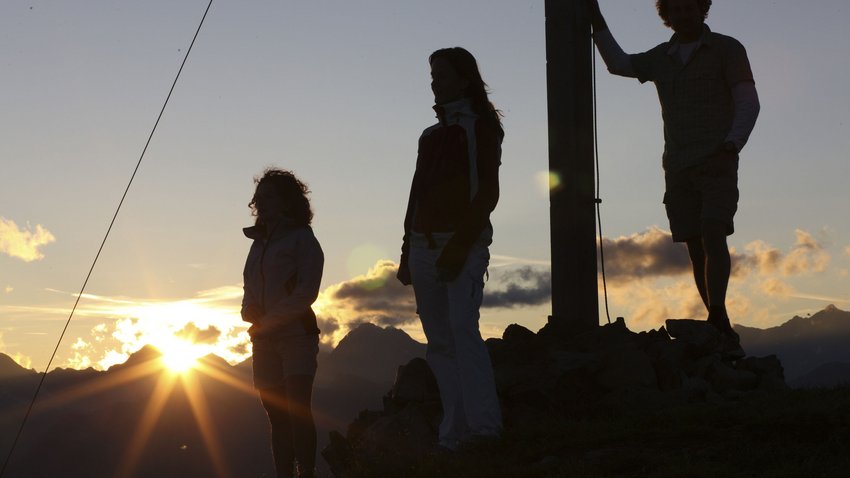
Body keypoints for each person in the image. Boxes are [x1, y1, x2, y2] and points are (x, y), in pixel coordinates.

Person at [586, 0, 760, 357]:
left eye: (689, 7)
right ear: (667, 16)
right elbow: (618, 63)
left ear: (702, 9)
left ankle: (717, 313)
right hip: (678, 164)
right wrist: (596, 18)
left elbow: (748, 100)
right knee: (695, 244)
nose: (683, 15)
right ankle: (716, 320)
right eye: (675, 9)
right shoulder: (660, 57)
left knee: (714, 230)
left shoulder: (727, 48)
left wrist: (732, 144)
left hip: (717, 159)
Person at [397, 47, 503, 450]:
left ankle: (485, 428)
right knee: (440, 340)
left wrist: (461, 245)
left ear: (463, 79)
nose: (434, 81)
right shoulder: (430, 135)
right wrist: (407, 249)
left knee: (462, 329)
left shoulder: (479, 128)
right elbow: (416, 194)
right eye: (432, 75)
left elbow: (487, 192)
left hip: (463, 244)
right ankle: (455, 432)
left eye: (441, 74)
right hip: (424, 246)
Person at [241, 168, 323, 478]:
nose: (261, 203)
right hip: (263, 338)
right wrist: (248, 308)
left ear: (287, 201)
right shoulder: (258, 243)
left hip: (295, 335)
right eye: (258, 198)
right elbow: (250, 285)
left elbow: (306, 293)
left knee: (297, 412)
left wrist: (270, 321)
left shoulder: (302, 239)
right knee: (276, 415)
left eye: (268, 197)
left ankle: (307, 473)